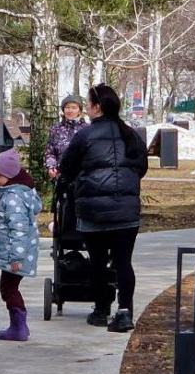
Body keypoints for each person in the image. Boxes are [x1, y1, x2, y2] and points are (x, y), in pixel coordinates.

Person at [58, 83, 148, 333]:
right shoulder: (131, 134)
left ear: (97, 107)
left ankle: (100, 310)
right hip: (126, 211)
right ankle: (125, 311)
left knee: (97, 262)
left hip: (94, 211)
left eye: (88, 104)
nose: (86, 108)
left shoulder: (84, 136)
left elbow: (67, 168)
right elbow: (141, 168)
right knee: (123, 262)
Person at [0, 148, 42, 341]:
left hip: (16, 255)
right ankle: (19, 326)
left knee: (9, 289)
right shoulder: (18, 192)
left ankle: (18, 327)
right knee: (9, 288)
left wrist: (16, 257)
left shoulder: (13, 198)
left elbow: (19, 229)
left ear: (10, 177)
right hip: (14, 252)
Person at [45, 95, 88, 180]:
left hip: (83, 178)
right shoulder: (55, 129)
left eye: (74, 107)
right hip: (61, 176)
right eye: (67, 107)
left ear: (79, 110)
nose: (70, 110)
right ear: (63, 110)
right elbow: (50, 151)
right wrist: (51, 166)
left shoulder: (87, 129)